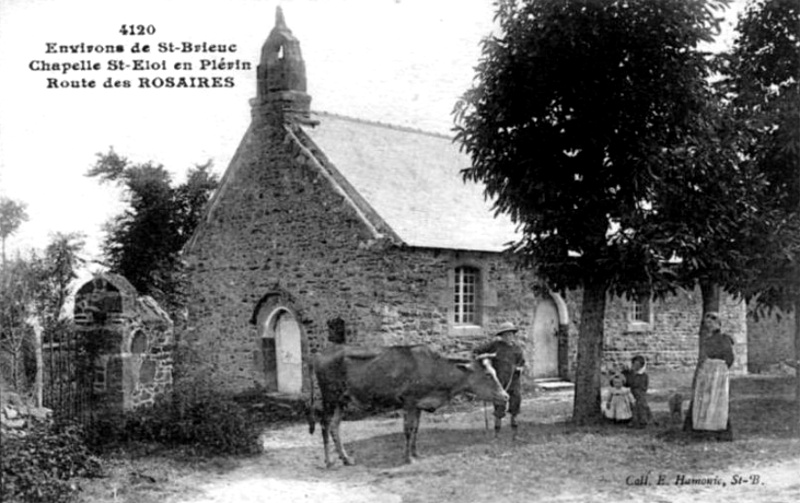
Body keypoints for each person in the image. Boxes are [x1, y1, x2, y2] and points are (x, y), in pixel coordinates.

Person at [684, 311, 735, 441]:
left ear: (718, 323)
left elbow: (729, 358)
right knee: (706, 399)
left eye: (712, 323)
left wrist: (720, 369)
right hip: (708, 370)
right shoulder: (708, 340)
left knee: (717, 399)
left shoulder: (724, 339)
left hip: (718, 371)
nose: (709, 326)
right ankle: (705, 429)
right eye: (707, 324)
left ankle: (719, 430)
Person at [473, 321, 526, 436]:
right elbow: (477, 352)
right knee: (499, 403)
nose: (508, 337)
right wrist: (484, 360)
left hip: (513, 380)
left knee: (516, 400)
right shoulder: (495, 346)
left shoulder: (517, 349)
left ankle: (514, 427)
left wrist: (519, 368)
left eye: (511, 334)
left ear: (513, 335)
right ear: (501, 336)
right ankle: (497, 429)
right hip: (499, 380)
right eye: (505, 335)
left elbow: (521, 362)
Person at [624, 355, 652, 428]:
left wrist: (636, 391)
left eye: (638, 365)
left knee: (640, 401)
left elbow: (643, 387)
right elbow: (624, 382)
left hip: (638, 392)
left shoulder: (643, 375)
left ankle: (642, 421)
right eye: (634, 364)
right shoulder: (628, 373)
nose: (635, 366)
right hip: (627, 392)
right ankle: (634, 420)